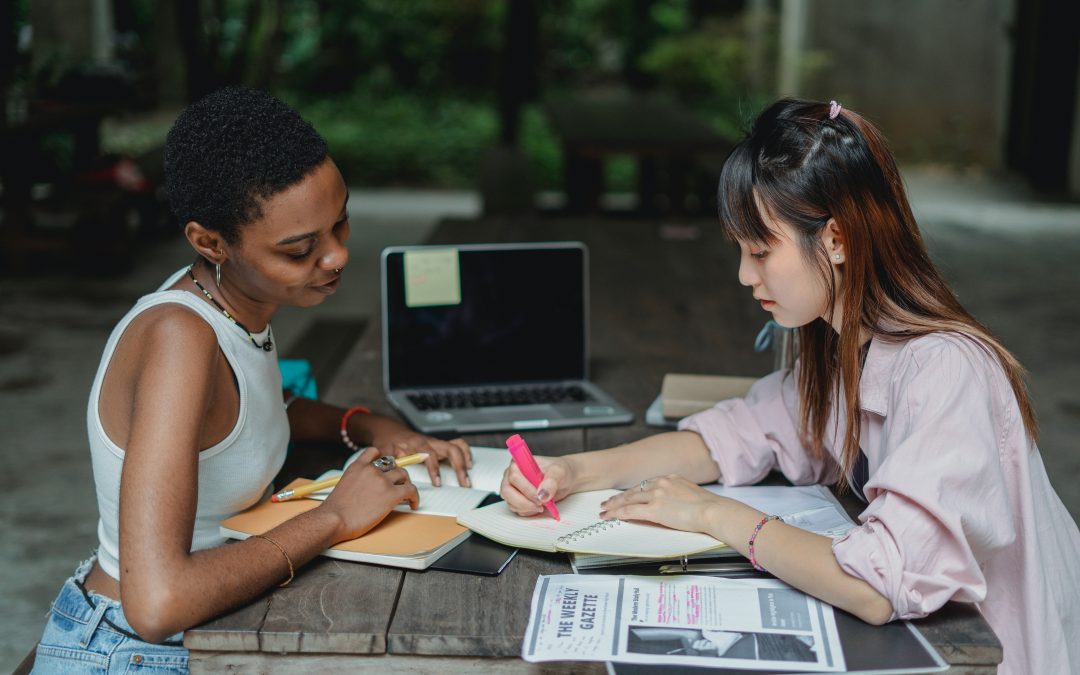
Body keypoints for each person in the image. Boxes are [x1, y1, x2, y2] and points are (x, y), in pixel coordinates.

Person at [500, 98, 1080, 675]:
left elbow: (879, 585)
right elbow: (731, 436)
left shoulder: (946, 369)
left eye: (760, 250)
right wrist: (574, 472)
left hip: (997, 656)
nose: (745, 275)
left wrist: (714, 516)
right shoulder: (843, 344)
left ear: (837, 239)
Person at [32, 87, 474, 674]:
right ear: (210, 242)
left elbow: (247, 415)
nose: (337, 257)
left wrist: (368, 425)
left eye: (340, 225)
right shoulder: (179, 339)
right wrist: (335, 518)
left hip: (198, 634)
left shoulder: (228, 306)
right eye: (299, 250)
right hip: (134, 652)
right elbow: (158, 604)